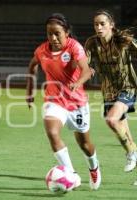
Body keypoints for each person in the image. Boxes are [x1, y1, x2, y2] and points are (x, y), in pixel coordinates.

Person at [85, 10, 137, 186]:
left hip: (127, 88)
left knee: (111, 120)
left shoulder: (123, 41)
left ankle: (130, 152)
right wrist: (87, 70)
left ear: (111, 25)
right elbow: (84, 65)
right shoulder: (92, 43)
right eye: (96, 24)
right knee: (126, 135)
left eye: (102, 24)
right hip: (108, 92)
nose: (98, 28)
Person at [25, 13, 101, 190]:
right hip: (54, 100)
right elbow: (32, 66)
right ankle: (71, 174)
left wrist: (78, 83)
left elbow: (87, 70)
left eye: (57, 33)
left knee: (85, 145)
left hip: (77, 104)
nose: (52, 38)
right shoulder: (41, 50)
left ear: (66, 32)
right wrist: (29, 90)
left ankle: (94, 166)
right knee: (52, 132)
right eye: (49, 33)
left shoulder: (74, 47)